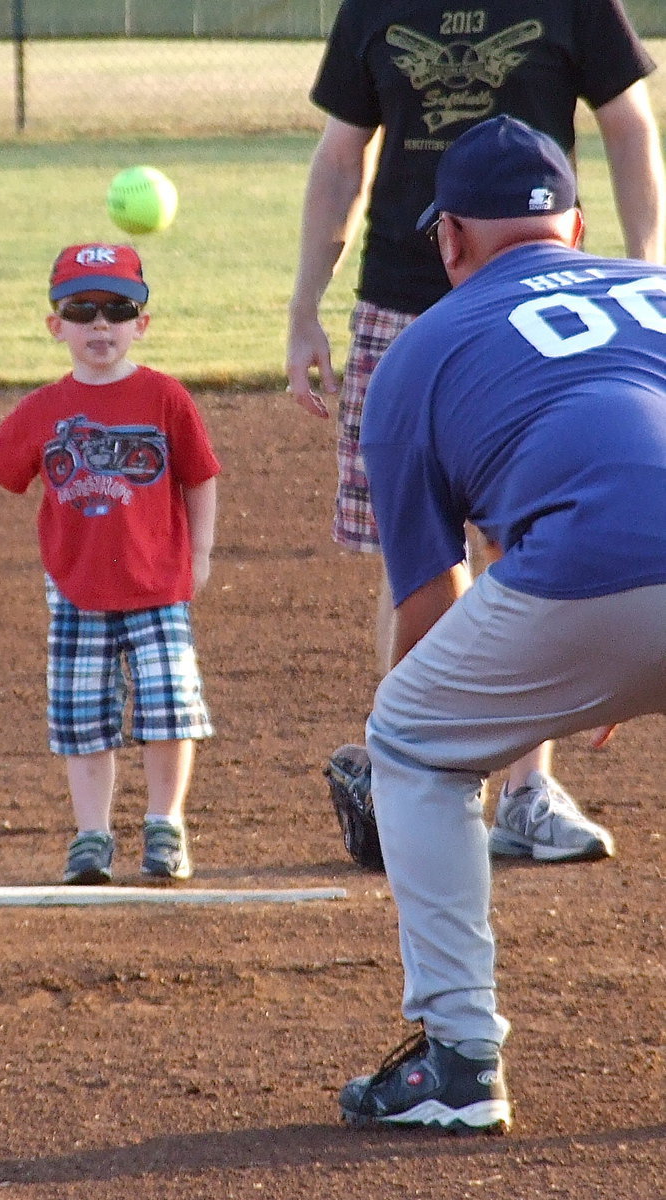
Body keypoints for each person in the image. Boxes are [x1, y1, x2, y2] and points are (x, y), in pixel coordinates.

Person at [336, 115, 666, 1134]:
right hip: (612, 569)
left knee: (411, 739)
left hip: (596, 569)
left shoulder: (423, 350)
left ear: (449, 242)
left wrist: (559, 681)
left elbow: (431, 602)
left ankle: (461, 1062)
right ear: (574, 226)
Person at [285, 0, 666, 863]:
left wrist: (643, 268)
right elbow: (342, 154)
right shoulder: (376, 6)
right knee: (414, 543)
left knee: (533, 525)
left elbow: (628, 125)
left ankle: (518, 792)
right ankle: (411, 778)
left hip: (542, 292)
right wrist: (305, 300)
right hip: (404, 295)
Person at [0, 243, 220, 884]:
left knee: (170, 708)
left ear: (142, 322)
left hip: (157, 585)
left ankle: (165, 826)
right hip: (76, 591)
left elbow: (200, 476)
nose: (101, 324)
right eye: (82, 309)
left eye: (118, 308)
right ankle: (92, 837)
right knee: (83, 720)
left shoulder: (164, 397)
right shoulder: (46, 409)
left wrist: (203, 552)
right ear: (56, 325)